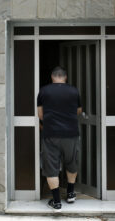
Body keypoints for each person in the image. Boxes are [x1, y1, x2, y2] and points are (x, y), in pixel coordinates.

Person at [37, 66, 82, 211]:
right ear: (65, 77)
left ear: (52, 77)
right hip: (71, 133)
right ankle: (70, 193)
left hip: (51, 134)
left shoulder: (43, 91)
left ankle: (56, 202)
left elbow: (41, 115)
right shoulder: (74, 90)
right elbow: (78, 111)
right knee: (71, 162)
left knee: (51, 167)